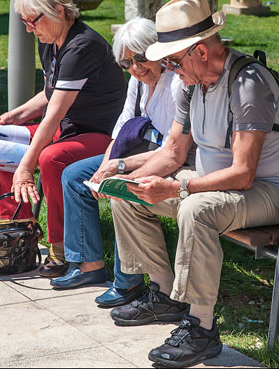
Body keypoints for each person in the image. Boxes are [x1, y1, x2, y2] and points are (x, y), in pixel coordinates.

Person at [107, 0, 279, 368]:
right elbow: (173, 153)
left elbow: (244, 174)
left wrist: (179, 188)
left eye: (172, 60)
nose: (168, 68)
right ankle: (165, 295)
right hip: (217, 183)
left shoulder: (248, 84)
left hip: (273, 192)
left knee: (197, 210)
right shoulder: (189, 83)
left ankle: (201, 327)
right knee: (127, 196)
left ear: (199, 51)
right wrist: (123, 179)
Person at [0, 0, 127, 278]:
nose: (28, 28)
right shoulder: (50, 41)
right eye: (24, 21)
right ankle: (20, 231)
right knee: (0, 142)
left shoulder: (82, 46)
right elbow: (53, 92)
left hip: (102, 135)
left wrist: (25, 168)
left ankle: (61, 246)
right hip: (69, 127)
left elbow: (54, 114)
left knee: (51, 158)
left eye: (33, 21)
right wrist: (18, 114)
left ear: (58, 10)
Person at [50, 18, 190, 310]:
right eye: (127, 63)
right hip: (142, 153)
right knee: (76, 175)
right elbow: (119, 132)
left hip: (171, 160)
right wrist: (105, 165)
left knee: (121, 190)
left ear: (158, 52)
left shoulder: (176, 84)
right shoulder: (137, 83)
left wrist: (120, 169)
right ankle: (87, 264)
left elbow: (171, 150)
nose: (136, 68)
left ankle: (128, 281)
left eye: (141, 58)